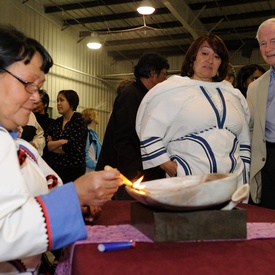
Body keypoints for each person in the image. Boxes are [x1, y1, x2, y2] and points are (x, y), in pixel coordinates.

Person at [0, 24, 121, 274]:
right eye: (28, 84)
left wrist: (77, 204)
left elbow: (42, 192)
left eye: (39, 87)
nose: (36, 98)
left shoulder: (22, 146)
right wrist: (75, 195)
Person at [136, 34, 250, 189]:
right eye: (204, 53)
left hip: (231, 183)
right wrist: (166, 164)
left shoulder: (233, 95)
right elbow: (149, 130)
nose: (210, 60)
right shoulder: (171, 89)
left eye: (216, 56)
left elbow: (244, 138)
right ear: (193, 57)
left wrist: (244, 169)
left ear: (221, 63)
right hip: (187, 180)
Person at [96, 52, 170, 199]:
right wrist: (133, 176)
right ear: (153, 74)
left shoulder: (144, 96)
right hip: (124, 176)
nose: (165, 79)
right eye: (164, 74)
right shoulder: (131, 96)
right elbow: (123, 139)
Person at [247, 18, 275, 209]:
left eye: (274, 41)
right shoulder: (255, 87)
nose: (268, 48)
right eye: (263, 43)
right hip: (268, 160)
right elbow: (250, 128)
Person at [46, 90, 87, 184]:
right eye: (57, 100)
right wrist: (62, 142)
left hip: (74, 171)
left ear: (71, 103)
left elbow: (72, 147)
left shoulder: (79, 121)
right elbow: (47, 147)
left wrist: (54, 144)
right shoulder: (55, 123)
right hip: (55, 170)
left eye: (62, 100)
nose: (58, 104)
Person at [33, 89, 54, 162]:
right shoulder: (28, 120)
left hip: (46, 161)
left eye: (37, 102)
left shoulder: (52, 123)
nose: (34, 104)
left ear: (45, 104)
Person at [82, 108, 102, 172]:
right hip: (89, 170)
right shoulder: (87, 133)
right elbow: (84, 154)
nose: (98, 117)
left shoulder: (93, 134)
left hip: (93, 169)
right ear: (91, 117)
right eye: (96, 114)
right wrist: (97, 165)